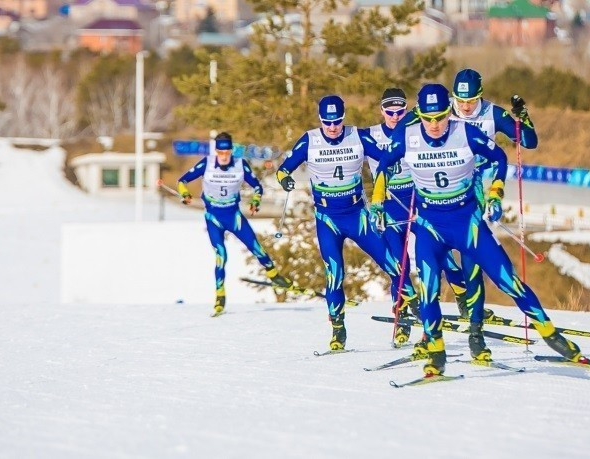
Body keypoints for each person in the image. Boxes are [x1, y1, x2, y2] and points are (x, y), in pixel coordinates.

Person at [370, 83, 582, 376]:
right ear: (419, 114)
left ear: (449, 113)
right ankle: (436, 352)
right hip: (430, 227)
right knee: (428, 291)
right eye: (428, 118)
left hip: (467, 223)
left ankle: (551, 334)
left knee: (508, 282)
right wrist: (378, 200)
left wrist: (495, 192)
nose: (434, 125)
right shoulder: (407, 136)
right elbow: (382, 166)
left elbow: (500, 157)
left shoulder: (465, 132)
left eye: (441, 117)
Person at [276, 95, 417, 351]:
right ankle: (338, 330)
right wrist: (284, 178)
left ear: (344, 117)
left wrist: (388, 171)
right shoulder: (310, 140)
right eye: (327, 122)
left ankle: (409, 310)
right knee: (335, 274)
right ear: (320, 120)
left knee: (394, 265)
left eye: (337, 121)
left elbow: (386, 157)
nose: (332, 127)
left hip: (357, 215)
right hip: (328, 219)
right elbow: (283, 168)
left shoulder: (358, 136)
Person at [360, 88, 471, 332]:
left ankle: (465, 299)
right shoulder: (369, 135)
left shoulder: (416, 131)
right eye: (390, 112)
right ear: (382, 111)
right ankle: (403, 318)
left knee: (441, 254)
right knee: (399, 264)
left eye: (400, 111)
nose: (395, 116)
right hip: (389, 204)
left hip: (416, 199)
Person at [447, 68, 539, 329]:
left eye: (471, 101)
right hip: (447, 184)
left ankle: (473, 309)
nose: (465, 107)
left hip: (481, 181)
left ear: (480, 96)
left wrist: (523, 118)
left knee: (470, 247)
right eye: (460, 101)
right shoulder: (444, 112)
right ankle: (463, 297)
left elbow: (528, 142)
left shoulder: (492, 113)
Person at [177, 132, 293, 317]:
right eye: (221, 153)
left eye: (227, 152)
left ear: (231, 151)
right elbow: (182, 181)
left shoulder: (239, 164)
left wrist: (255, 202)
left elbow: (257, 186)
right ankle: (220, 297)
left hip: (233, 215)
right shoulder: (206, 163)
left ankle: (274, 275)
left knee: (256, 248)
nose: (224, 156)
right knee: (221, 254)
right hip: (214, 217)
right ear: (216, 151)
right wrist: (185, 194)